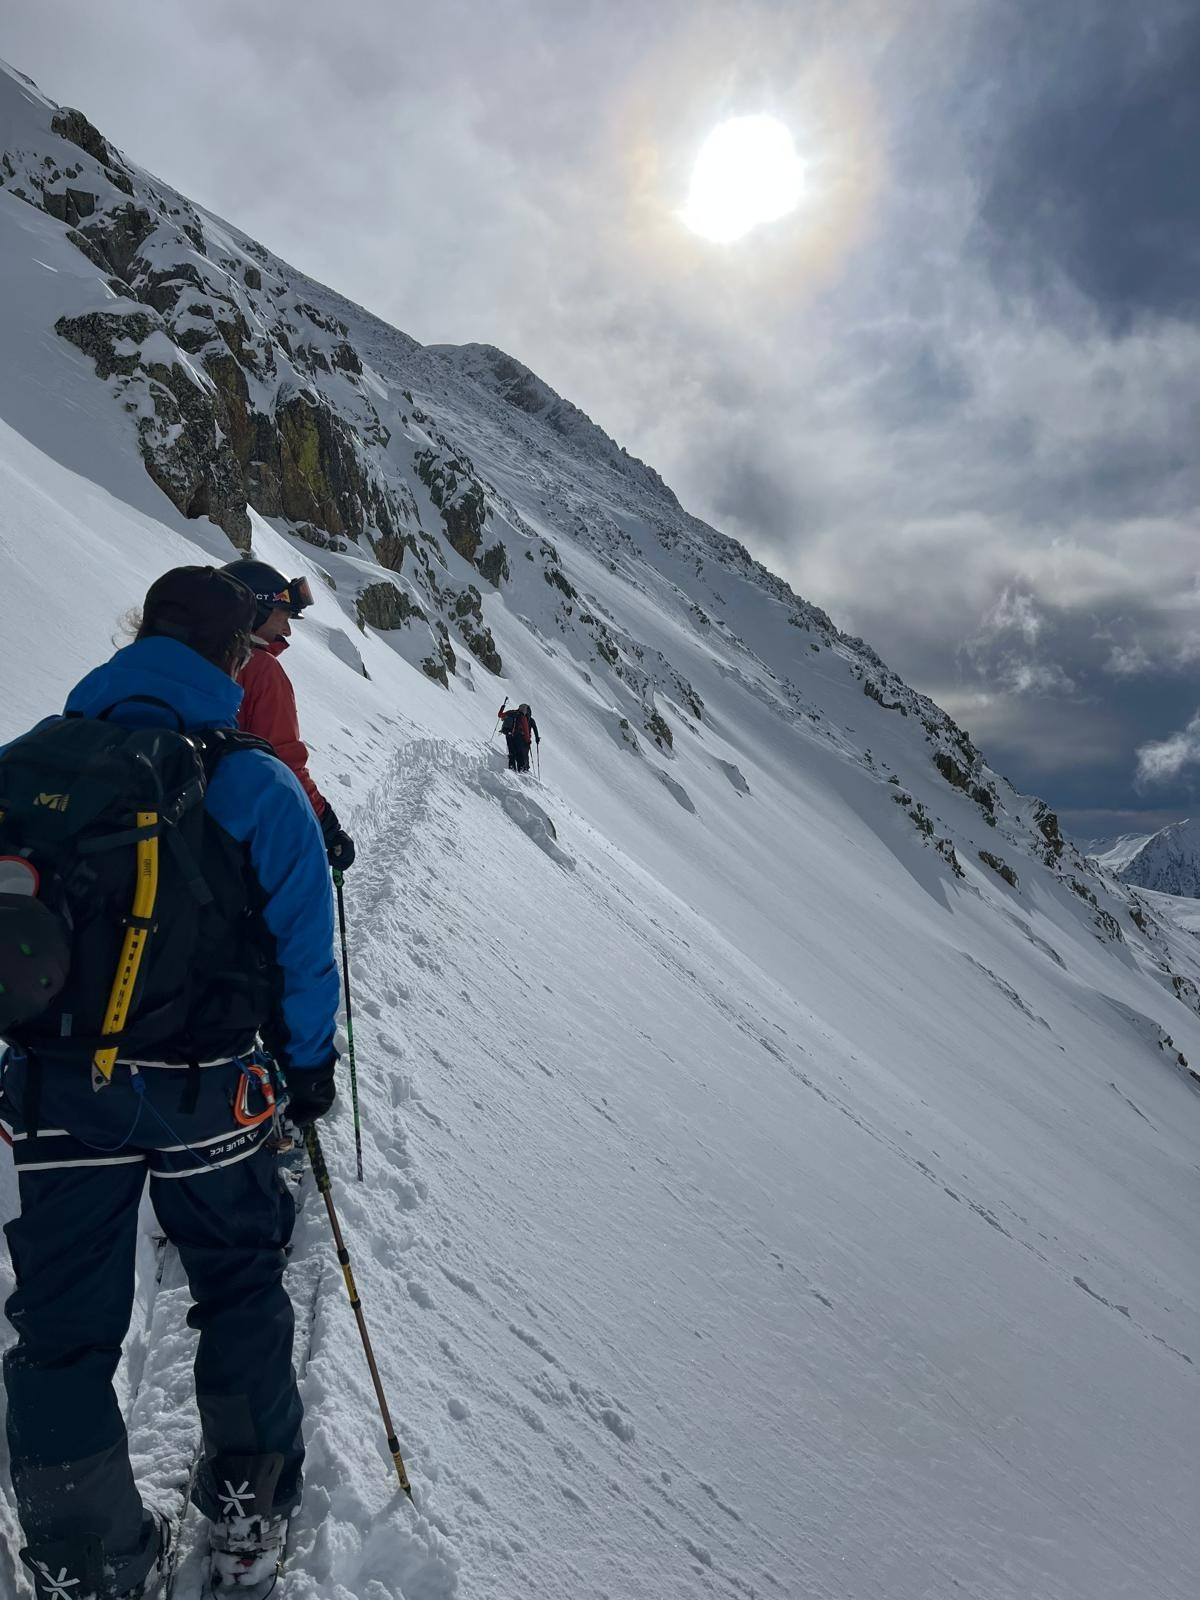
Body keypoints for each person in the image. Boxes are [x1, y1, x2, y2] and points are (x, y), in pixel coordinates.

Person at [0, 567, 339, 1598]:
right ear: (233, 655)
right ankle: (243, 1511)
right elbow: (303, 950)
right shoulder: (251, 781)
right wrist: (308, 1073)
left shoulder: (29, 763)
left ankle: (81, 1549)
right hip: (208, 1092)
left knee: (61, 1323)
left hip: (60, 1086)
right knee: (238, 1287)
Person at [220, 558, 355, 872]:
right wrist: (328, 826)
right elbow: (284, 762)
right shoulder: (262, 670)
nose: (287, 629)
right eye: (283, 616)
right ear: (255, 612)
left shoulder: (193, 653)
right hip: (233, 832)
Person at [498, 700, 540, 773]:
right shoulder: (522, 717)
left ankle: (511, 768)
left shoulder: (511, 712)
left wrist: (503, 707)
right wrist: (528, 740)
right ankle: (521, 770)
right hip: (517, 736)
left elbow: (500, 715)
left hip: (508, 734)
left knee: (511, 751)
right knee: (519, 753)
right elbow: (526, 730)